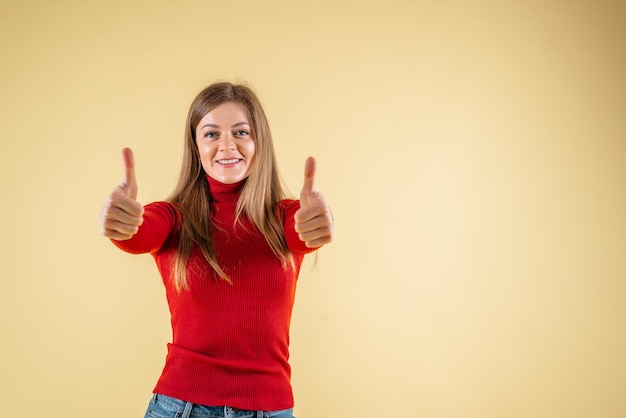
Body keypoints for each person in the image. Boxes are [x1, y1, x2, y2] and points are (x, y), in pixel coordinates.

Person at [99, 82, 333, 418]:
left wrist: (316, 224)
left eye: (241, 132)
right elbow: (139, 234)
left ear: (259, 142)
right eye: (211, 134)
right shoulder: (172, 217)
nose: (227, 145)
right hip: (181, 407)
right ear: (195, 147)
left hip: (270, 409)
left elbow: (303, 232)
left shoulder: (285, 217)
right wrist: (123, 225)